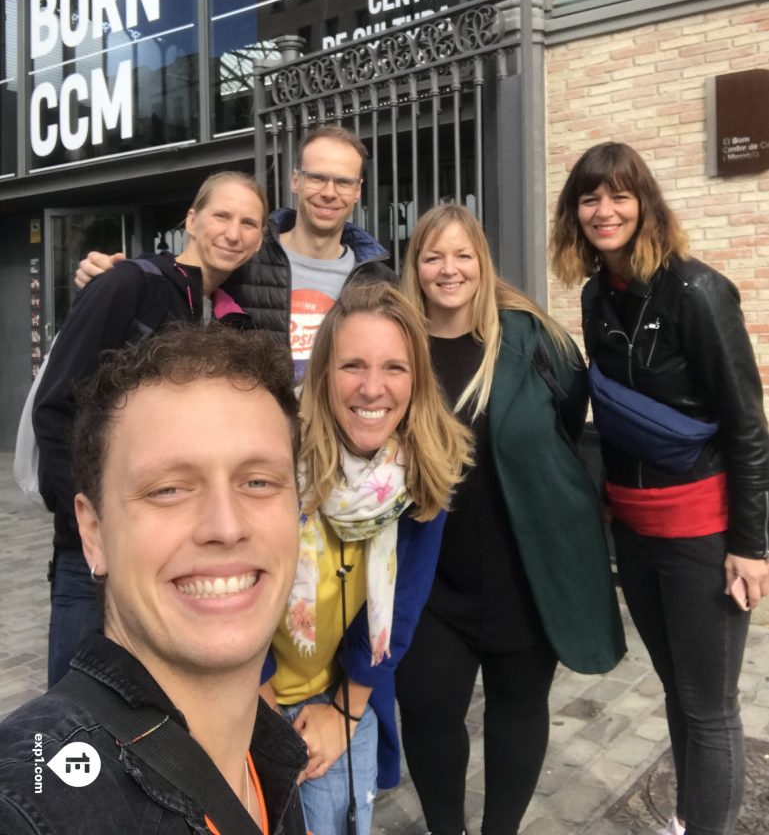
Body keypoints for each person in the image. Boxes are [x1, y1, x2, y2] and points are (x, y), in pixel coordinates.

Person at [0, 326, 308, 834]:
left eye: (258, 481)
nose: (225, 527)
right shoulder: (28, 805)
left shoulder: (263, 758)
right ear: (93, 533)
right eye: (168, 490)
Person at [550, 141, 769, 835]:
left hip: (702, 533)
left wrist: (750, 545)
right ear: (573, 212)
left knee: (709, 707)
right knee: (676, 691)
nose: (603, 210)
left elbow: (746, 427)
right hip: (636, 532)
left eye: (618, 195)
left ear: (644, 203)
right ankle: (688, 816)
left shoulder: (698, 292)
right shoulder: (595, 296)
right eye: (589, 197)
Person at [396, 203, 625, 835]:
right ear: (415, 265)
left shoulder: (535, 338)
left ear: (483, 262)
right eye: (433, 256)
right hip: (427, 579)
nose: (449, 269)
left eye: (462, 255)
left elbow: (566, 424)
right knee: (428, 711)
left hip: (524, 570)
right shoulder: (396, 339)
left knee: (518, 708)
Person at [33, 170, 266, 686]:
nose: (234, 232)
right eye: (222, 215)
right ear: (191, 219)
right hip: (96, 556)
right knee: (77, 721)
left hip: (172, 551)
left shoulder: (233, 317)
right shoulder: (128, 283)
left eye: (249, 223)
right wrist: (91, 531)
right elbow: (54, 407)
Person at [260, 281, 473, 835]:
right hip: (244, 690)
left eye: (394, 368)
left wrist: (344, 712)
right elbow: (236, 584)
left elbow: (399, 611)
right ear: (324, 372)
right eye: (353, 365)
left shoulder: (423, 469)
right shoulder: (276, 457)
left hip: (340, 692)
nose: (372, 389)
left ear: (417, 379)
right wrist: (258, 718)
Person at [76, 125, 395, 380]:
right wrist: (115, 276)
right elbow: (181, 275)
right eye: (317, 178)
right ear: (296, 180)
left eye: (342, 182)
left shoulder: (379, 279)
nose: (328, 192)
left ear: (357, 191)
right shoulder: (244, 255)